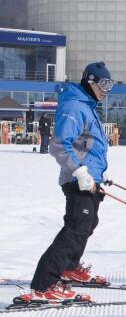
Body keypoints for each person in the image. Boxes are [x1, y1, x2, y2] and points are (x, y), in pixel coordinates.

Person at [20, 62, 114, 304]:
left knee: (86, 224)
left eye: (110, 85)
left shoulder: (87, 106)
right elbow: (59, 144)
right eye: (103, 84)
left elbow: (87, 146)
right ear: (90, 81)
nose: (106, 90)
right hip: (77, 180)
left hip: (88, 179)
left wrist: (95, 174)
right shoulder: (74, 106)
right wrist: (81, 172)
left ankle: (69, 268)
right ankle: (43, 285)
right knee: (74, 230)